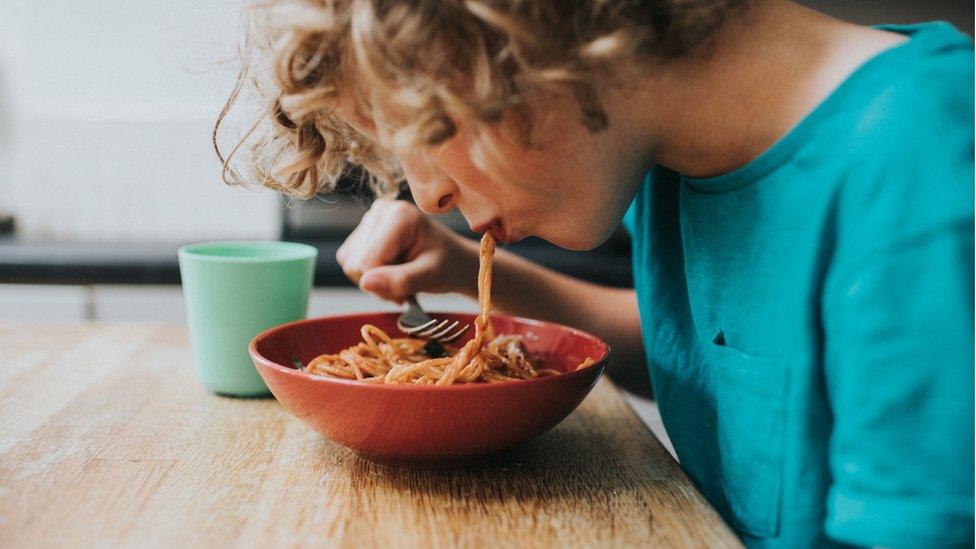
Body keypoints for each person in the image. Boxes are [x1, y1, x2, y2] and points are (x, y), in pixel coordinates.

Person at [217, 0, 974, 546]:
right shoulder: (675, 155)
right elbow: (709, 350)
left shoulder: (921, 163)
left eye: (428, 125)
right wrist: (468, 268)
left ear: (538, 31)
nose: (429, 193)